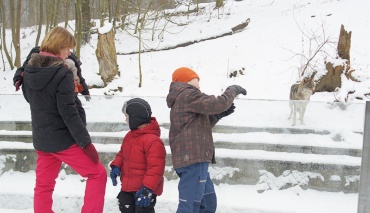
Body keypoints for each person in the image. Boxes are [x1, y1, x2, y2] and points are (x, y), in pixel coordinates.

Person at [20, 26, 107, 213]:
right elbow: (69, 113)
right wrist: (86, 143)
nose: (69, 52)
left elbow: (30, 99)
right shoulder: (62, 73)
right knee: (98, 174)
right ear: (59, 46)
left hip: (42, 140)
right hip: (63, 140)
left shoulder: (28, 69)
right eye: (68, 48)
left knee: (43, 186)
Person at [166, 67, 247, 213]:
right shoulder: (187, 94)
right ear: (187, 80)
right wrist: (232, 90)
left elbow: (195, 127)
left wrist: (217, 116)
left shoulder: (183, 98)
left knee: (208, 203)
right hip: (193, 160)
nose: (199, 82)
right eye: (196, 79)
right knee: (190, 206)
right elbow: (218, 104)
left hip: (194, 160)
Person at [110, 98, 166, 213]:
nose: (126, 119)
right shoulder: (129, 136)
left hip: (144, 190)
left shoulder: (153, 141)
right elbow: (122, 153)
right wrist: (116, 166)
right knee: (124, 206)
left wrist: (148, 188)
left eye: (127, 116)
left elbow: (156, 168)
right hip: (127, 187)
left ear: (136, 117)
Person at [13, 46, 91, 101]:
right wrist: (18, 79)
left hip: (68, 94)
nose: (69, 53)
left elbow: (78, 77)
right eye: (67, 48)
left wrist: (85, 92)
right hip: (42, 97)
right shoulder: (37, 55)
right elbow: (24, 69)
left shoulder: (71, 58)